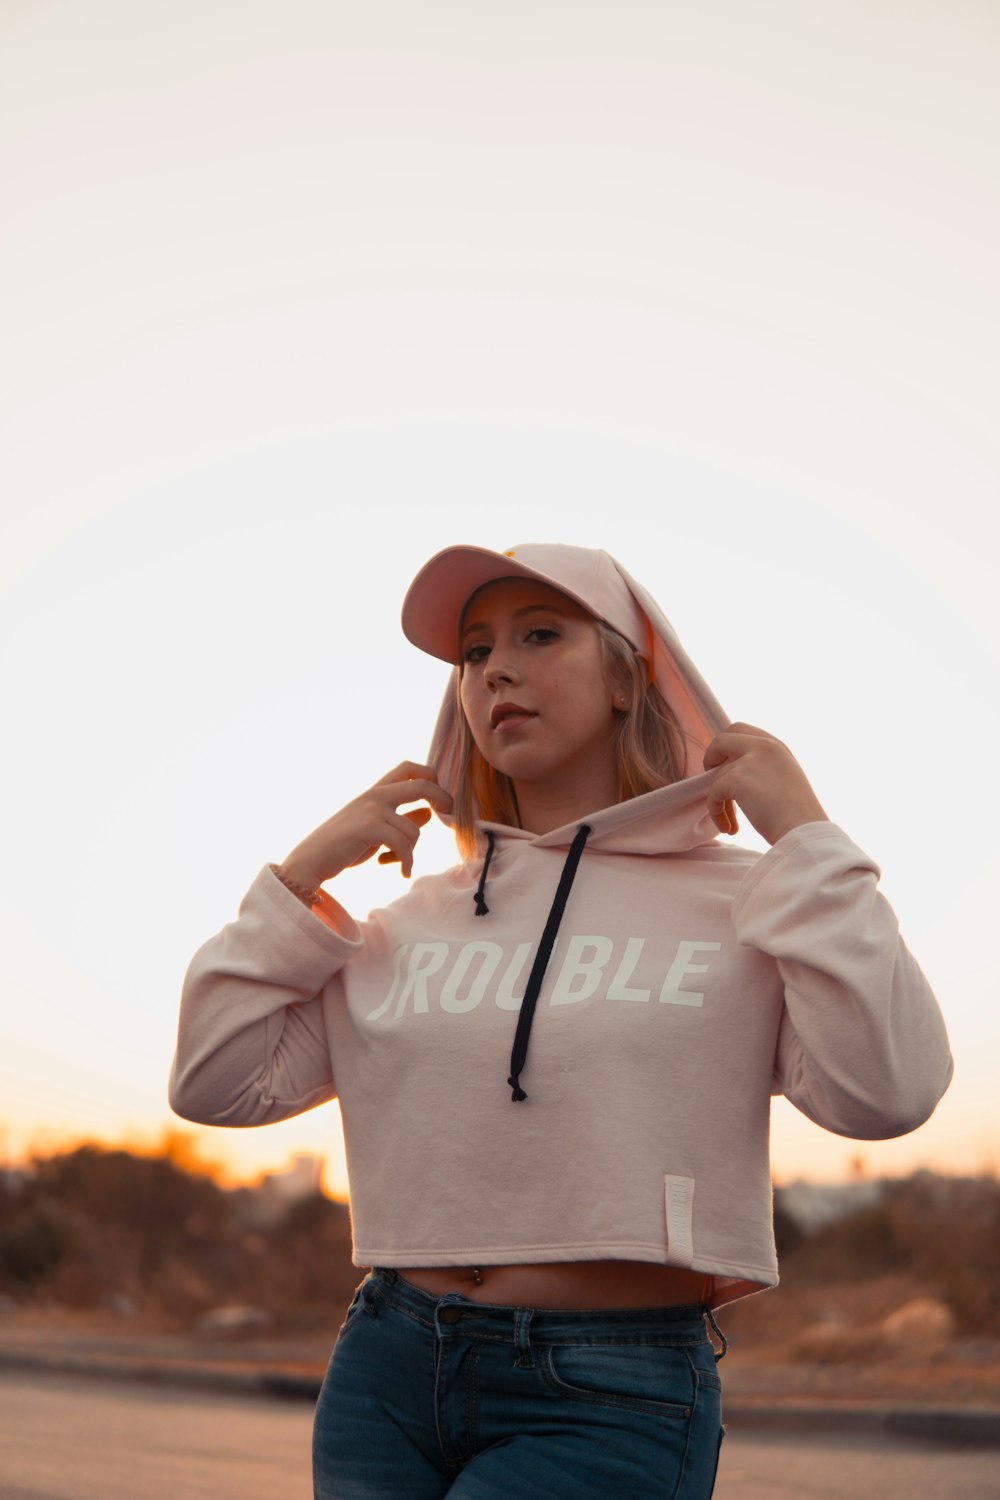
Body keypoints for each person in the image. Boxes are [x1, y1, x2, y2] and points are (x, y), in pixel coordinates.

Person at [170, 543, 953, 1500]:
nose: (496, 668)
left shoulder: (754, 898)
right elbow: (214, 1082)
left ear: (628, 676)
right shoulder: (403, 924)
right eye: (474, 652)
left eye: (542, 634)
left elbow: (889, 1094)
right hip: (387, 1365)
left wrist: (811, 843)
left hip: (610, 1388)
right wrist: (299, 881)